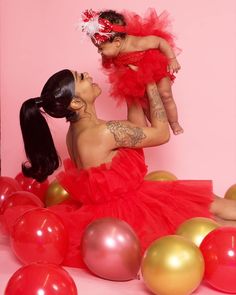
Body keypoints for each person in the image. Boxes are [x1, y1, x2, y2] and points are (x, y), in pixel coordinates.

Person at [17, 69, 236, 268]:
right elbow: (161, 134)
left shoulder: (77, 132)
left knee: (208, 204)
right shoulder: (103, 132)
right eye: (81, 78)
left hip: (110, 209)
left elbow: (134, 130)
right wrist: (150, 85)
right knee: (210, 213)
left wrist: (132, 89)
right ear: (75, 103)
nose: (87, 75)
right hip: (129, 211)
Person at [80, 9, 184, 135]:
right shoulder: (113, 50)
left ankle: (174, 123)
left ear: (117, 42)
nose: (99, 52)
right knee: (145, 103)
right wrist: (104, 56)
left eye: (101, 48)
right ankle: (158, 124)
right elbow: (108, 64)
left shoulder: (138, 43)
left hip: (153, 68)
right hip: (135, 75)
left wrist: (172, 59)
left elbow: (160, 42)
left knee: (165, 95)